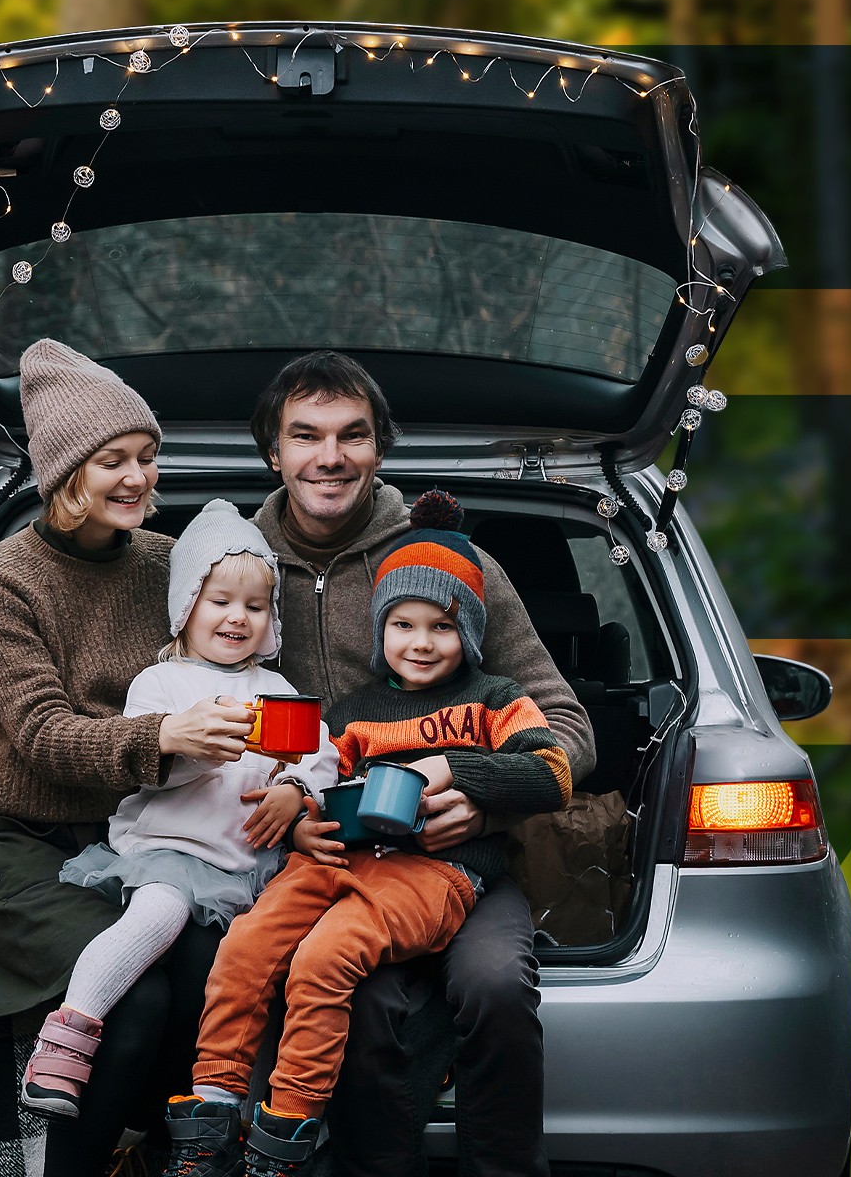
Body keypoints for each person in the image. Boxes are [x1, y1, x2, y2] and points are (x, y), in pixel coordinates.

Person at [0, 338, 261, 1175]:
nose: (139, 478)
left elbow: (252, 634)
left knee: (207, 972)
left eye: (147, 458)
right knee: (135, 999)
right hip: (20, 840)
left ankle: (155, 1154)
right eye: (115, 460)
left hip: (134, 835)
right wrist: (160, 737)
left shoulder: (169, 566)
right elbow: (43, 737)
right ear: (64, 473)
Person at [246, 351, 593, 1177]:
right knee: (357, 999)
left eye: (352, 436)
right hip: (327, 861)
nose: (329, 457)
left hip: (463, 860)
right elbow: (181, 711)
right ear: (274, 452)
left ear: (379, 448)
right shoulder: (233, 568)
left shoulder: (443, 563)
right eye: (306, 436)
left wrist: (481, 797)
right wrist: (292, 814)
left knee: (496, 986)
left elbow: (566, 729)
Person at [159, 499, 577, 1177]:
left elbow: (552, 771)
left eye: (441, 626)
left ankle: (286, 1131)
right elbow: (313, 776)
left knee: (324, 958)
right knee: (246, 944)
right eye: (402, 624)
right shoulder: (353, 713)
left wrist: (449, 768)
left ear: (468, 632)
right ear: (379, 628)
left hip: (434, 873)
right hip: (343, 860)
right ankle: (211, 1110)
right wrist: (300, 816)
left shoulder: (496, 698)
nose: (420, 641)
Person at [19, 500, 337, 1118]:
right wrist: (201, 748)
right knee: (155, 921)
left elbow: (319, 753)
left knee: (255, 969)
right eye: (219, 601)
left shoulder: (277, 690)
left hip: (245, 867)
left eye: (254, 605)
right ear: (186, 605)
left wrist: (295, 790)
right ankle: (67, 1039)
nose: (237, 618)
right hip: (169, 852)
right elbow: (148, 764)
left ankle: (232, 1111)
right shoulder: (160, 685)